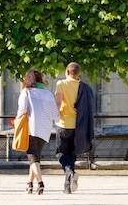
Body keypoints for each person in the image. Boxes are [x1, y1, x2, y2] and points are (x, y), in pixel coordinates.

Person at [17, 68, 60, 195]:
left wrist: (16, 121)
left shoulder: (26, 92)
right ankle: (29, 184)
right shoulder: (48, 94)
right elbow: (56, 116)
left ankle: (40, 183)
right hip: (45, 130)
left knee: (33, 157)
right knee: (35, 158)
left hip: (31, 128)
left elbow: (22, 110)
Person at [54, 62, 95, 194]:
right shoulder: (83, 87)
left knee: (60, 154)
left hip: (63, 124)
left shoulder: (61, 83)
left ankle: (70, 172)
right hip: (78, 126)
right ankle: (67, 187)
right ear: (79, 73)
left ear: (67, 72)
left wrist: (55, 116)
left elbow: (58, 103)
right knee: (72, 155)